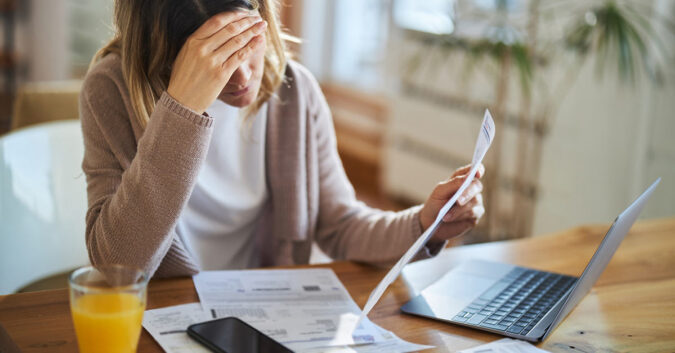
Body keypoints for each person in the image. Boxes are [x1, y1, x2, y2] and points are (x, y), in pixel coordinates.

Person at [80, 0, 485, 278]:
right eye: (213, 61)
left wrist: (423, 224)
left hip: (262, 316)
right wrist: (182, 111)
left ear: (265, 18)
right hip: (164, 319)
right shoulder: (111, 90)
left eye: (245, 44)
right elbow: (117, 268)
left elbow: (340, 225)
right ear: (164, 52)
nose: (241, 78)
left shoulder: (295, 92)